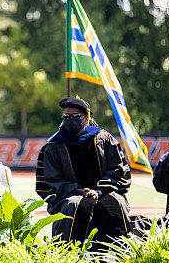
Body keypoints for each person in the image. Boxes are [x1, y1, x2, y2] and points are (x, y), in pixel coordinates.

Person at [36, 96, 131, 245]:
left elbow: (119, 171)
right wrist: (79, 190)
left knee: (115, 203)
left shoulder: (103, 138)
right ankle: (70, 254)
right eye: (67, 117)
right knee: (76, 206)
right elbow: (50, 182)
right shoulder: (53, 145)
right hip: (70, 195)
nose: (70, 120)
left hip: (105, 191)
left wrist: (99, 190)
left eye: (75, 117)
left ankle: (119, 253)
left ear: (86, 118)